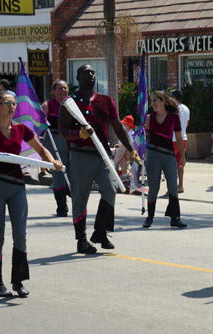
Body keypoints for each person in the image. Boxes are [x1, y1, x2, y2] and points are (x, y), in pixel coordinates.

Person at [0, 91, 63, 297]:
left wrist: (51, 162)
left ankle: (18, 281)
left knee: (20, 235)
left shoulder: (22, 129)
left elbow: (41, 151)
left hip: (17, 186)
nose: (12, 107)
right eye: (6, 103)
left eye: (14, 103)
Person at [59, 64, 142, 254]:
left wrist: (131, 150)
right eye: (86, 73)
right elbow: (63, 130)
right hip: (80, 155)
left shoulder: (106, 101)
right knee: (80, 199)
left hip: (102, 155)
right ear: (77, 78)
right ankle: (82, 240)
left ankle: (100, 232)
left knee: (111, 190)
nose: (90, 76)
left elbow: (118, 127)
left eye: (93, 73)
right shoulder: (69, 103)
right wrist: (78, 133)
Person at [142, 91, 187, 229]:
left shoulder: (174, 118)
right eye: (151, 101)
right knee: (154, 188)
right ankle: (149, 218)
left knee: (173, 187)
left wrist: (183, 156)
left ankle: (175, 218)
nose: (153, 103)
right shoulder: (150, 118)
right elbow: (145, 136)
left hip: (169, 156)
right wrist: (142, 151)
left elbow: (179, 138)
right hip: (153, 155)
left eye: (155, 100)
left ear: (163, 101)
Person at [42, 79, 70, 217]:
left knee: (73, 173)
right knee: (59, 175)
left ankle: (70, 192)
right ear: (54, 91)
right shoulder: (47, 106)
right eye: (60, 88)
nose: (63, 91)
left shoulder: (72, 104)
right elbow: (40, 127)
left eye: (65, 88)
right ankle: (61, 207)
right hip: (53, 142)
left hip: (70, 142)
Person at [171, 89, 190, 193]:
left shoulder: (173, 109)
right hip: (183, 138)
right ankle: (181, 185)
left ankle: (172, 187)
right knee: (180, 163)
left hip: (173, 138)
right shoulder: (186, 108)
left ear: (174, 98)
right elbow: (187, 124)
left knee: (171, 164)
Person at [113, 115, 136, 182]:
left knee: (123, 147)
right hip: (124, 153)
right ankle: (124, 176)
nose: (122, 125)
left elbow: (130, 146)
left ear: (128, 125)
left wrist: (120, 146)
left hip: (133, 155)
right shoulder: (124, 133)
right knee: (122, 154)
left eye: (124, 124)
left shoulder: (132, 133)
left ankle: (112, 165)